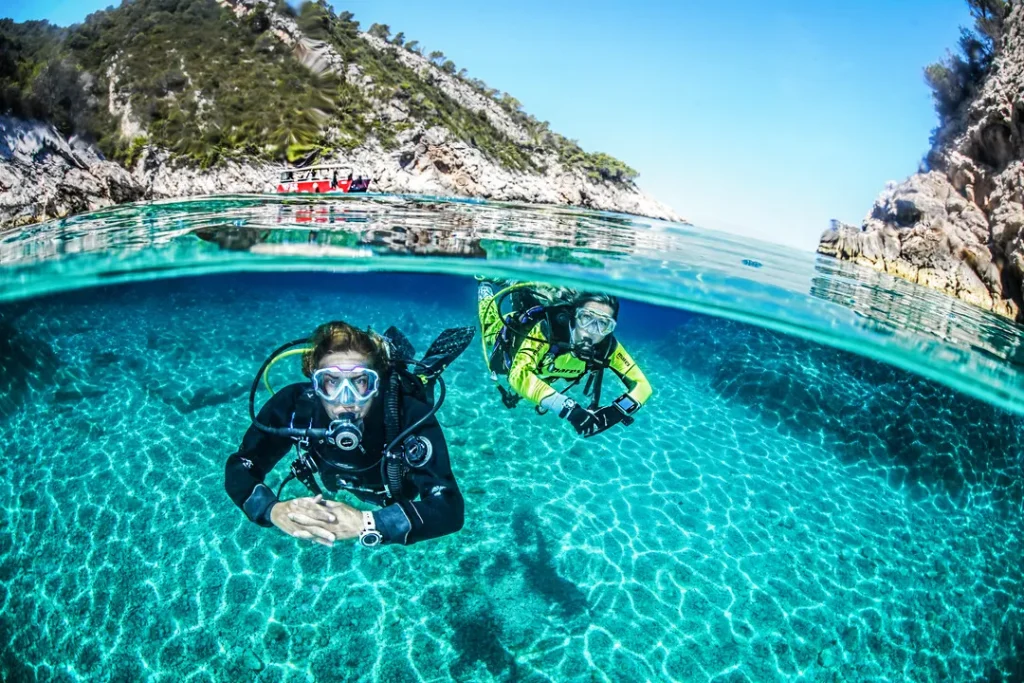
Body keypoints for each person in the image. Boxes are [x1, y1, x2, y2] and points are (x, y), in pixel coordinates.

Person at [225, 320, 474, 547]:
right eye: (331, 381)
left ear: (376, 384)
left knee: (418, 385)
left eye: (360, 381)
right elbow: (242, 464)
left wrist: (367, 523)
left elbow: (449, 509)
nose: (346, 400)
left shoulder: (409, 415)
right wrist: (271, 509)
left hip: (390, 492)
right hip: (351, 481)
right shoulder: (295, 405)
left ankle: (421, 372)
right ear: (315, 383)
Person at [477, 279, 652, 438]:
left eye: (603, 324)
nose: (592, 330)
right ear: (573, 316)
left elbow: (643, 386)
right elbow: (518, 374)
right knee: (488, 329)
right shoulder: (548, 330)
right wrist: (569, 409)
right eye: (586, 318)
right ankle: (486, 283)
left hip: (546, 370)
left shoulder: (607, 347)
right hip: (513, 337)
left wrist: (614, 413)